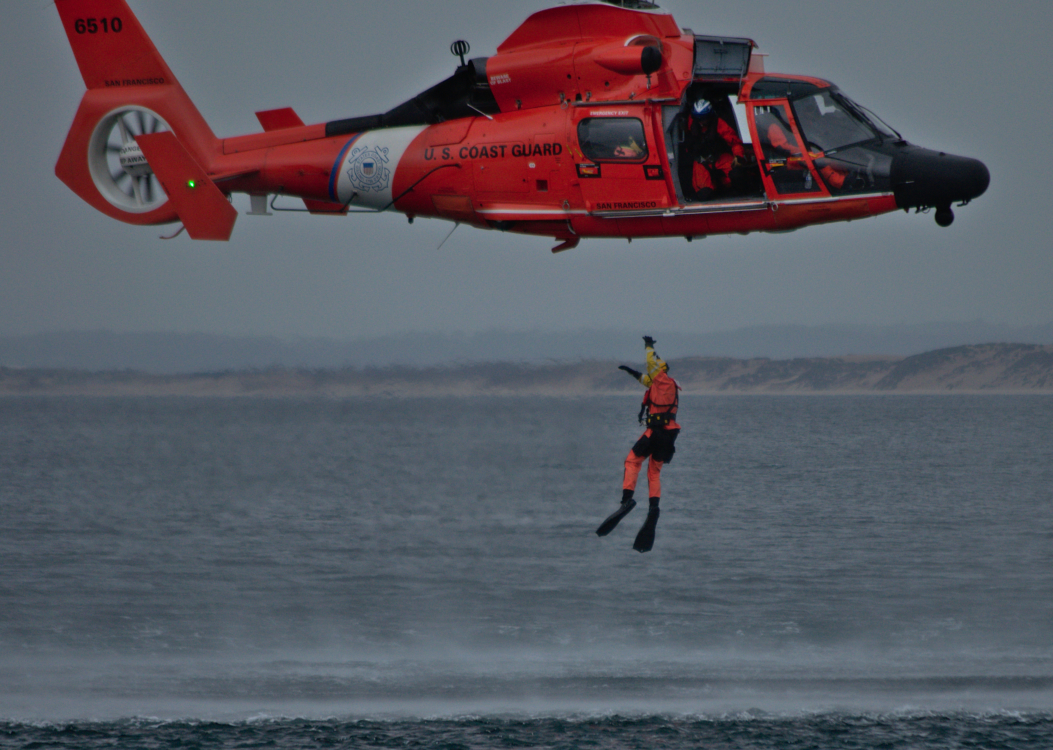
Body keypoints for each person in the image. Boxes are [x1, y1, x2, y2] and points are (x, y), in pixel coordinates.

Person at [596, 336, 682, 552]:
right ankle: (654, 508)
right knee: (654, 473)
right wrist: (629, 371)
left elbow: (651, 366)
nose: (651, 374)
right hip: (669, 437)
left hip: (655, 433)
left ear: (660, 370)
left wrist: (649, 347)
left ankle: (627, 500)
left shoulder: (661, 379)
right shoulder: (666, 384)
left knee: (632, 461)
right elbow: (644, 378)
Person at [687, 97, 746, 200]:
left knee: (737, 175)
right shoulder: (691, 124)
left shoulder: (720, 124)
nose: (701, 122)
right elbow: (687, 145)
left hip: (720, 158)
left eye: (703, 118)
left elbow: (735, 142)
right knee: (704, 193)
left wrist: (738, 156)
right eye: (698, 118)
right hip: (701, 161)